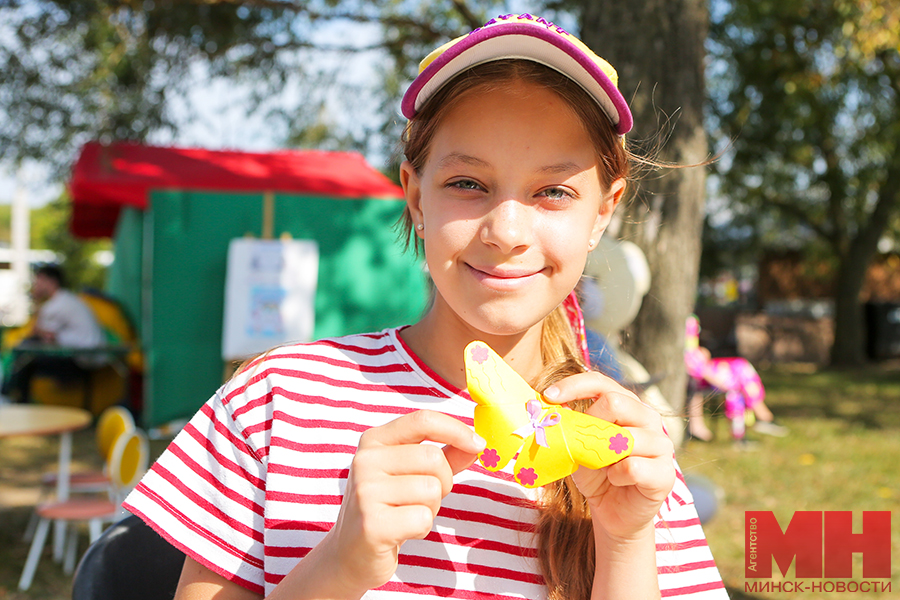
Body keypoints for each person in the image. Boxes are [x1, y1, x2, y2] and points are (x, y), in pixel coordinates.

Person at [124, 14, 727, 600]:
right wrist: (340, 564)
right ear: (415, 196)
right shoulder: (271, 402)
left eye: (552, 191)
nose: (507, 230)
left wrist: (623, 542)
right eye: (468, 184)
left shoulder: (629, 452)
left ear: (603, 211)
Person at [1, 264, 105, 403]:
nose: (35, 284)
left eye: (39, 280)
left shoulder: (57, 305)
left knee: (28, 357)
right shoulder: (68, 299)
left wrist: (36, 299)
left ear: (51, 281)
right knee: (28, 355)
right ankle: (12, 397)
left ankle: (11, 398)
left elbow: (37, 332)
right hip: (89, 356)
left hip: (84, 359)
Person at [685, 315, 788, 441]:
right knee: (736, 381)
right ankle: (759, 417)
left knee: (740, 368)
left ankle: (748, 426)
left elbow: (691, 347)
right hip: (695, 371)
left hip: (699, 364)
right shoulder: (683, 318)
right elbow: (686, 352)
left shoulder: (688, 316)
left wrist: (701, 352)